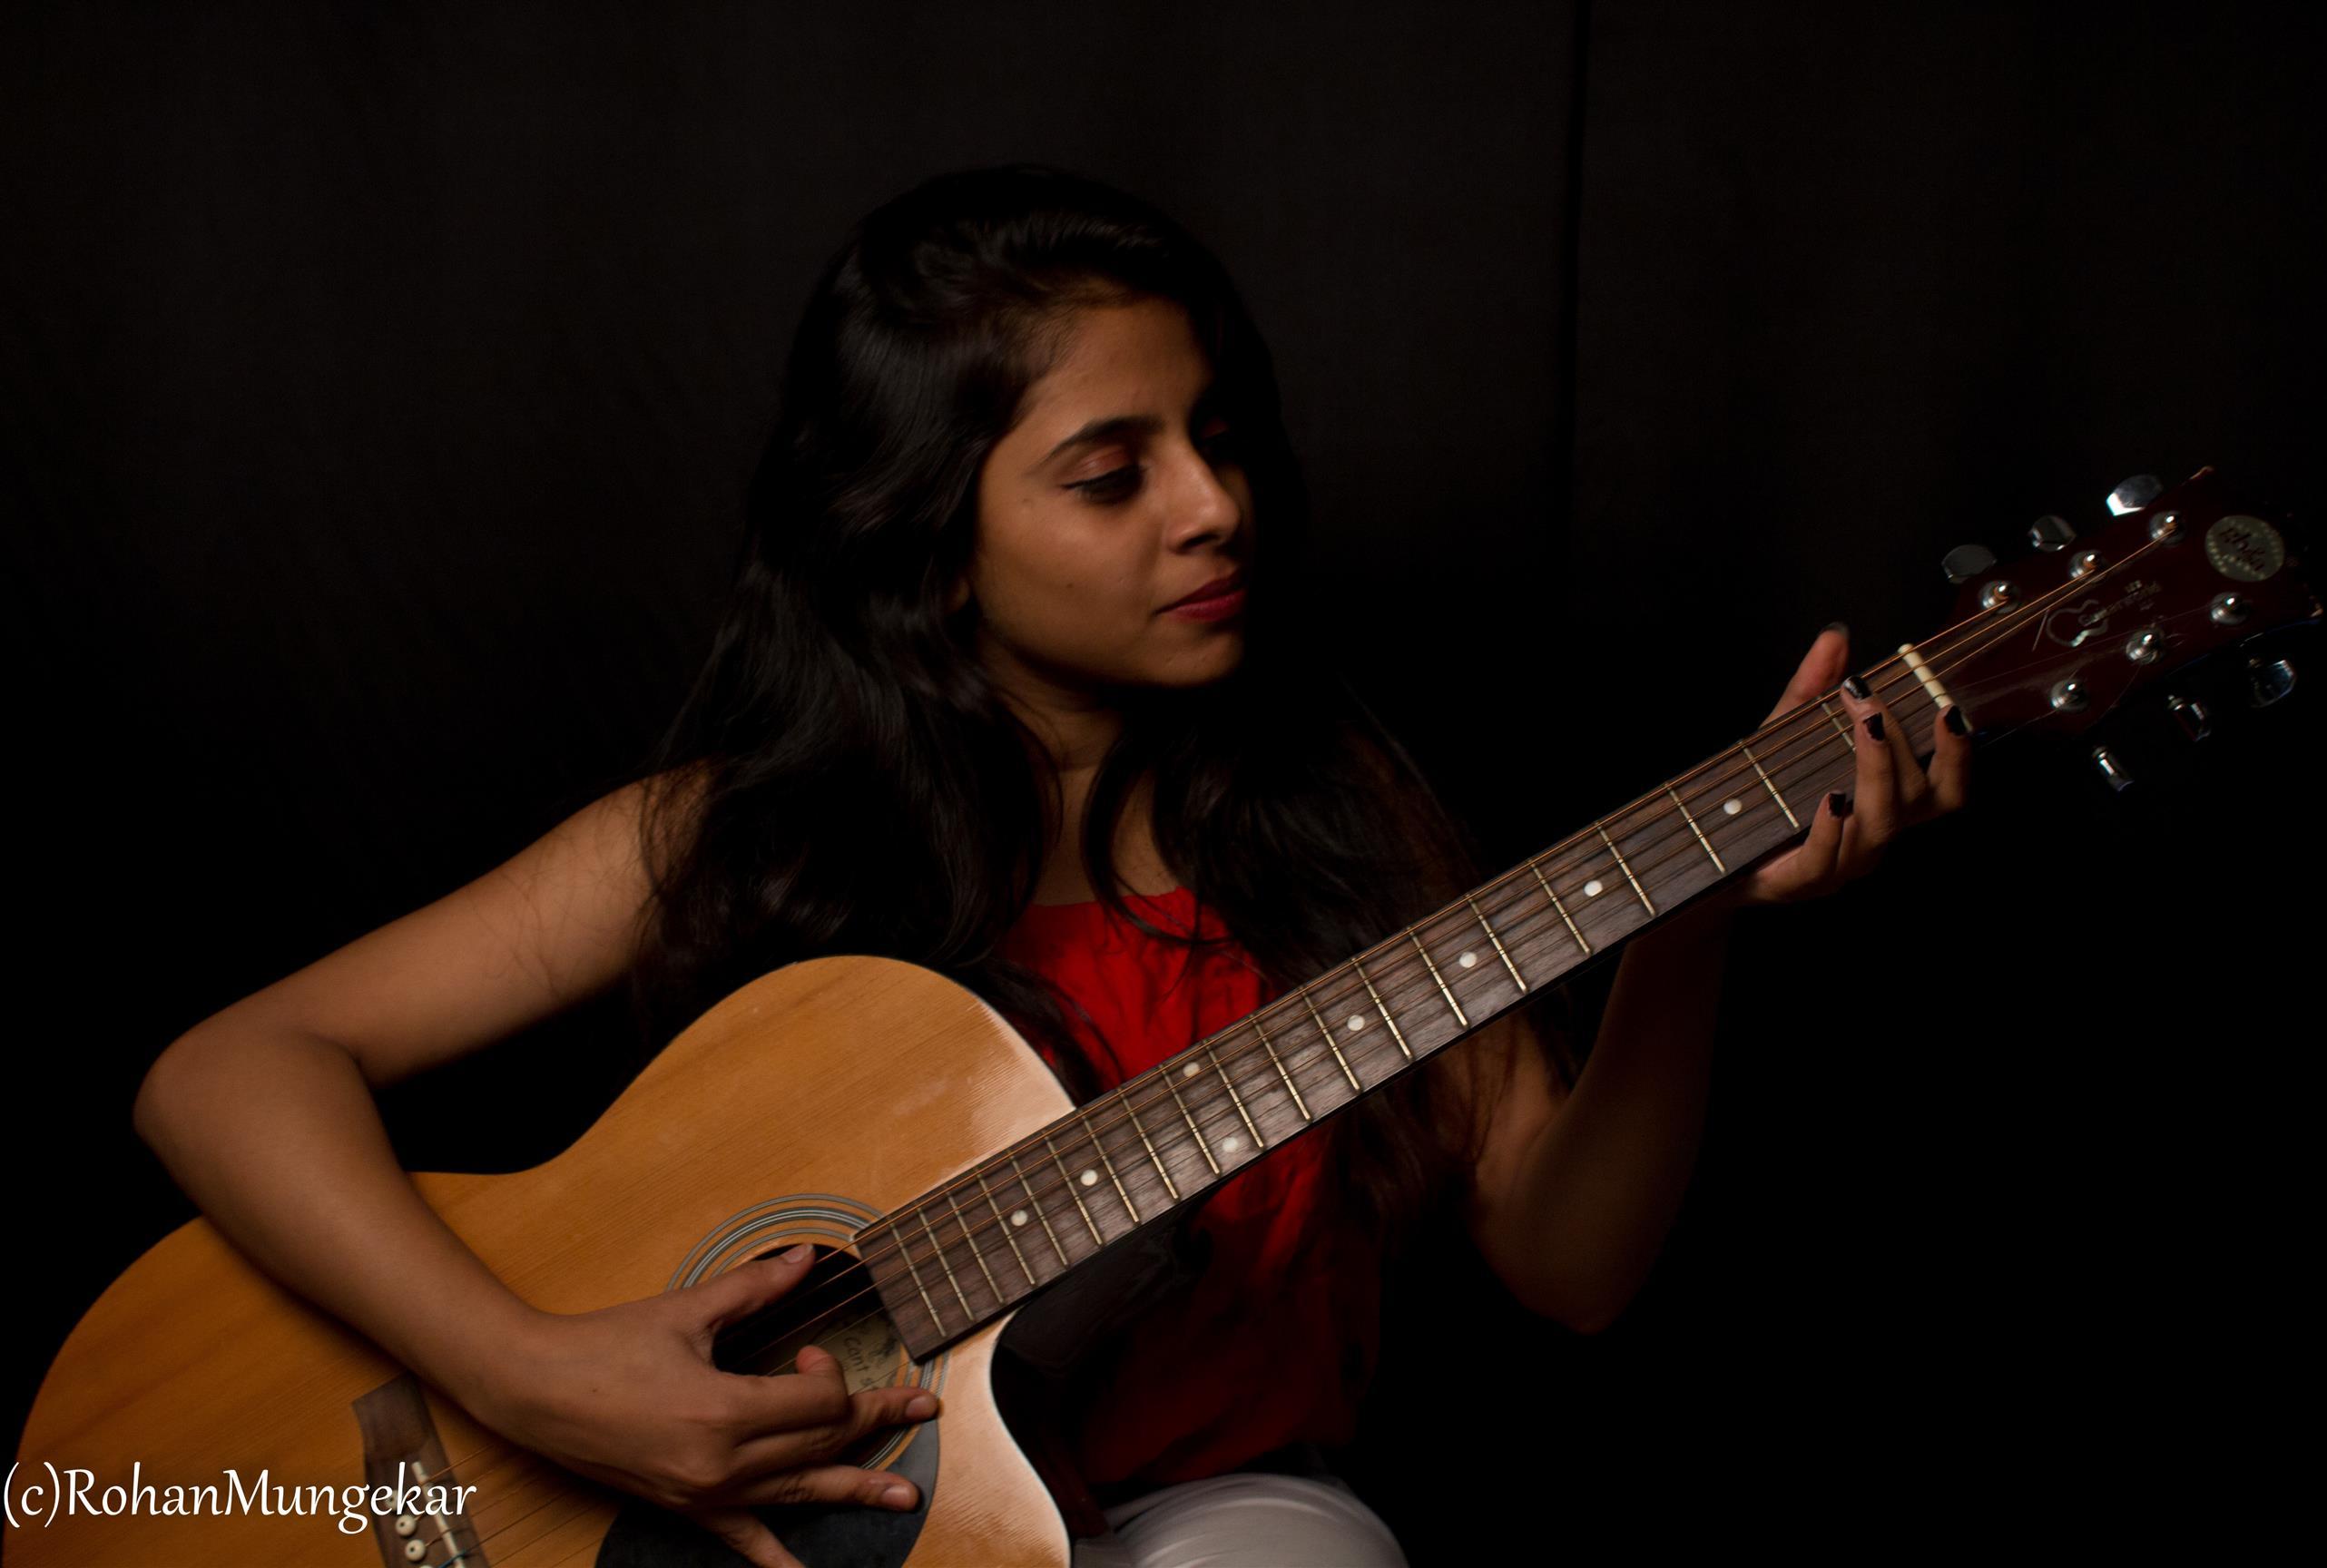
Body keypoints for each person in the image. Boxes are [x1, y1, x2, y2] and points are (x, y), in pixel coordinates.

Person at [131, 163, 1969, 1568]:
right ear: (934, 545)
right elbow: (224, 1071)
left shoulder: (1335, 837)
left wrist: (1689, 936)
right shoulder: (733, 830)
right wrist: (530, 1376)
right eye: (1114, 472)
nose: (1216, 506)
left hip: (1201, 1518)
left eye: (1218, 439)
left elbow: (1573, 1270)